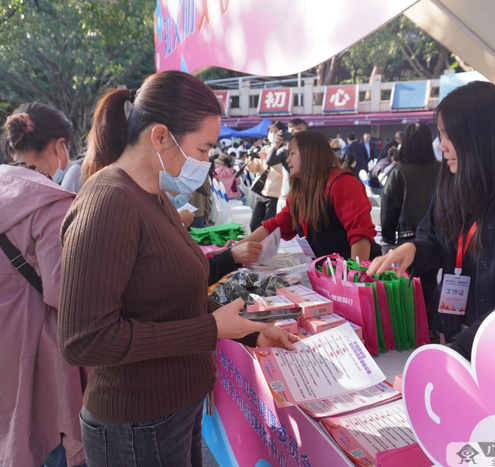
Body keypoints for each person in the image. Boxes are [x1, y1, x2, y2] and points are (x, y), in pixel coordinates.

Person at [58, 70, 298, 467]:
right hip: (136, 425)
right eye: (202, 150)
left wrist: (252, 332)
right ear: (160, 137)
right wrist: (210, 329)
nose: (205, 163)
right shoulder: (109, 202)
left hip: (173, 411)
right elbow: (84, 340)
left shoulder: (154, 196)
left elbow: (173, 297)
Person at [368, 81, 495, 360]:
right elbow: (434, 235)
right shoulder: (457, 180)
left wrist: (458, 354)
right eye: (440, 135)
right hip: (454, 331)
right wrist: (415, 248)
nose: (441, 147)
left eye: (448, 136)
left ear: (481, 136)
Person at [0, 103, 85, 467]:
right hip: (44, 354)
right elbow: (64, 295)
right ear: (60, 146)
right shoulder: (52, 204)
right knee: (54, 436)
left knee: (13, 436)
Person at [243, 130, 379, 260]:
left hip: (357, 270)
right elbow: (274, 226)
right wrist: (234, 252)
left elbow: (360, 235)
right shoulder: (300, 191)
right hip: (327, 272)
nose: (287, 159)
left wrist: (354, 274)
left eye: (292, 153)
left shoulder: (342, 183)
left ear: (309, 153)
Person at [381, 122, 440, 246]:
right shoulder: (443, 169)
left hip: (408, 238)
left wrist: (388, 237)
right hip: (439, 235)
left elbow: (389, 208)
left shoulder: (399, 172)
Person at [248, 142, 283, 231]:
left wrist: (269, 159)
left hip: (275, 194)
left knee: (268, 227)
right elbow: (254, 169)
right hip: (261, 191)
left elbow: (284, 171)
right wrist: (251, 159)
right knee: (254, 224)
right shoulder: (265, 148)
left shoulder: (285, 150)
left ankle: (265, 240)